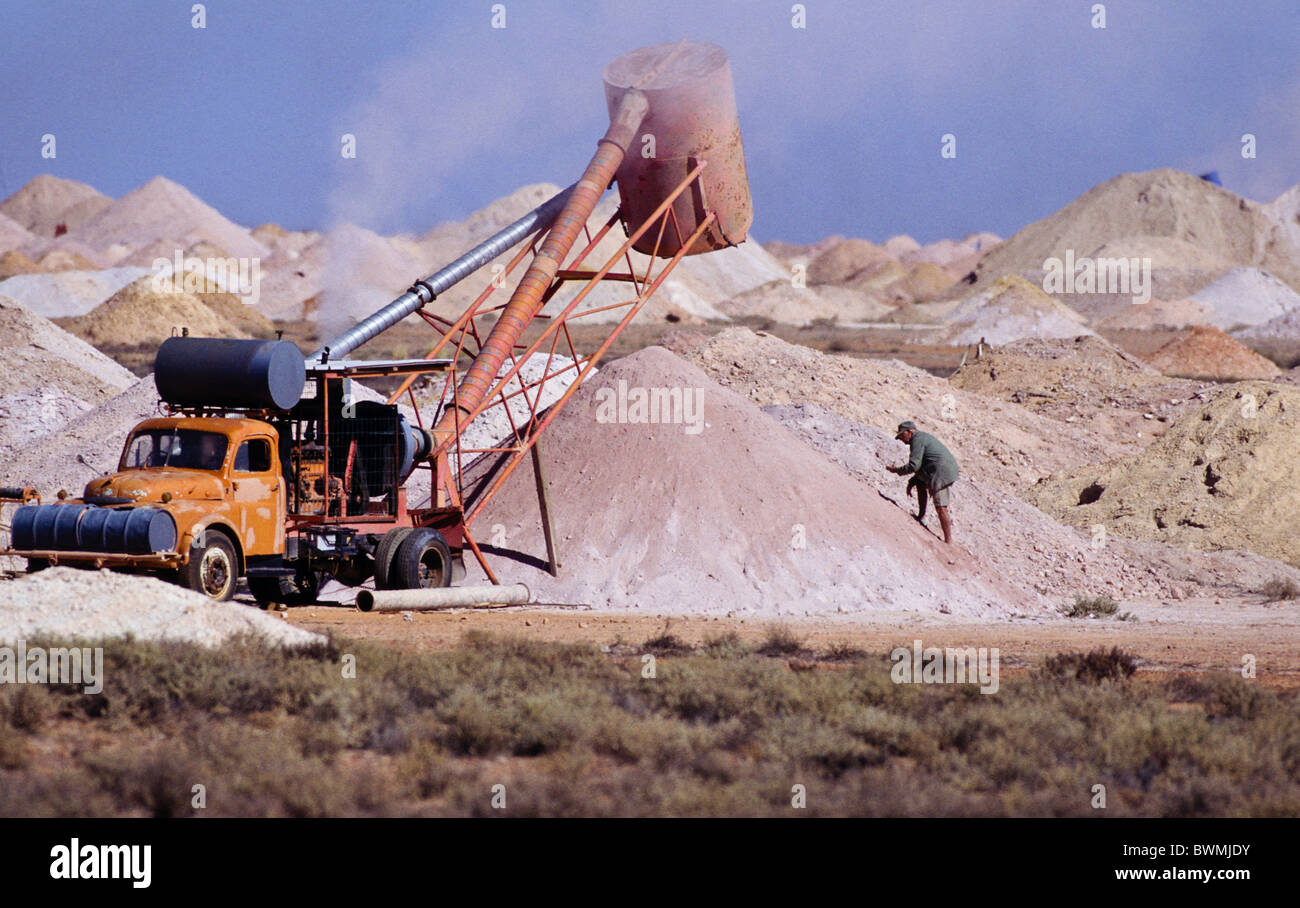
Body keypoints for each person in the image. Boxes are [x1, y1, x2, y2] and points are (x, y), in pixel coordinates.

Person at [887, 420, 959, 544]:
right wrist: (913, 480)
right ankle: (921, 516)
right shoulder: (921, 437)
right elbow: (920, 466)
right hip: (940, 468)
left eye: (901, 436)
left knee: (941, 507)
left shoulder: (917, 440)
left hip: (941, 472)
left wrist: (897, 470)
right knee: (920, 483)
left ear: (909, 432)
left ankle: (948, 541)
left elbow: (914, 465)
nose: (902, 441)